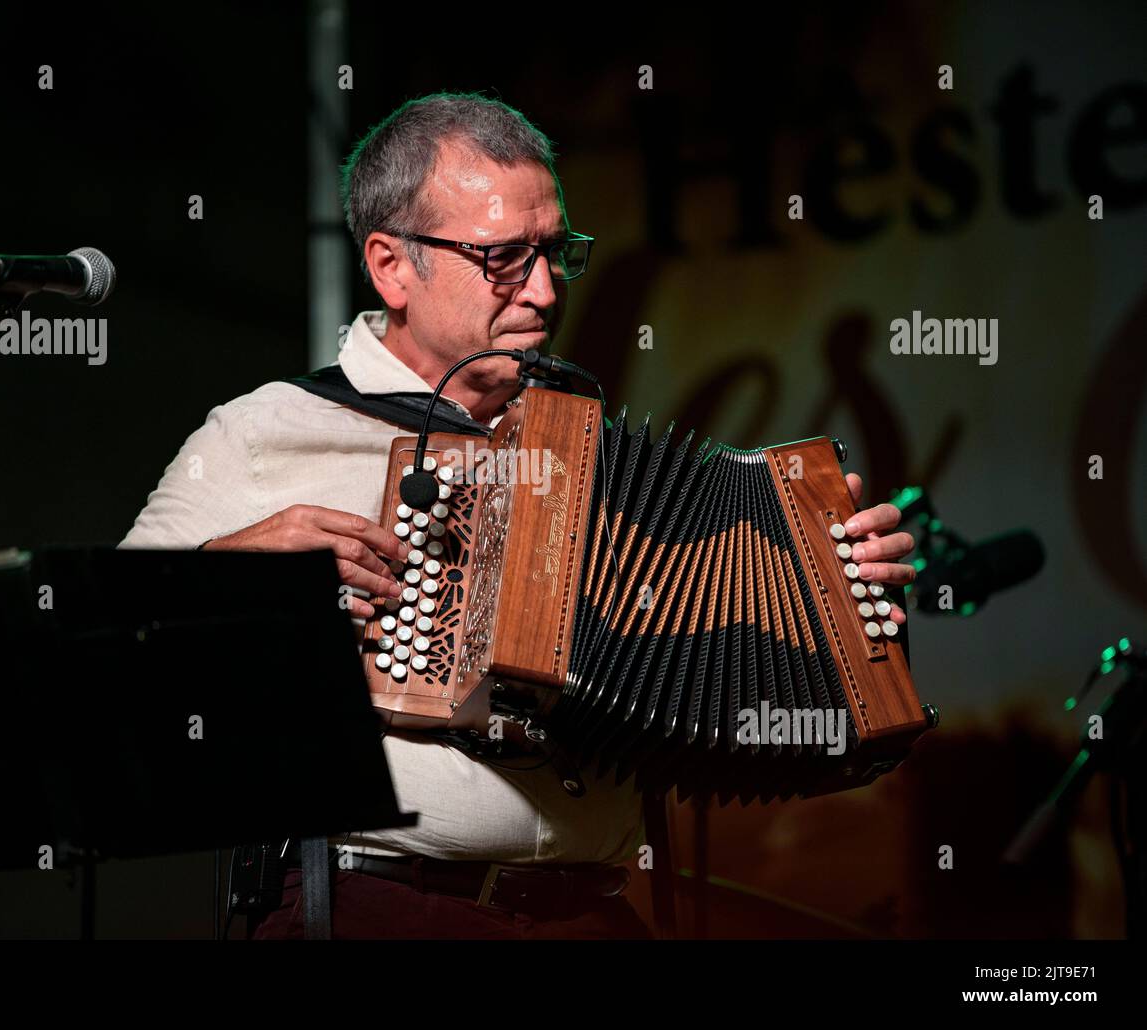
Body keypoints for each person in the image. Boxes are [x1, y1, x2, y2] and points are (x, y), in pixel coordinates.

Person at [118, 92, 916, 939]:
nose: (542, 291)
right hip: (379, 908)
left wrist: (839, 600)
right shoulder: (267, 431)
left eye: (555, 252)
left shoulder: (595, 459)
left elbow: (756, 712)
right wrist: (237, 575)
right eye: (501, 258)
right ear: (392, 267)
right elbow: (95, 681)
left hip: (595, 918)